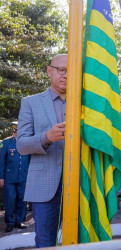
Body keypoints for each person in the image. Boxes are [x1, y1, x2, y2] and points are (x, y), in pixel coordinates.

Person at [16, 54, 67, 247]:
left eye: (71, 71)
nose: (66, 75)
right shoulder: (31, 102)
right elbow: (21, 145)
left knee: (81, 241)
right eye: (61, 70)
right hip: (45, 187)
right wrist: (46, 137)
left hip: (81, 182)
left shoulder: (86, 103)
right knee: (45, 242)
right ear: (49, 71)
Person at [0, 122, 31, 232]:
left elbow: (30, 160)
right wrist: (1, 177)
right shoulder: (6, 143)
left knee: (22, 199)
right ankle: (9, 222)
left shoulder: (27, 143)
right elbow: (2, 161)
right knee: (9, 199)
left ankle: (20, 220)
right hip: (9, 177)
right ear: (13, 131)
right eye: (15, 131)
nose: (16, 133)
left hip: (23, 175)